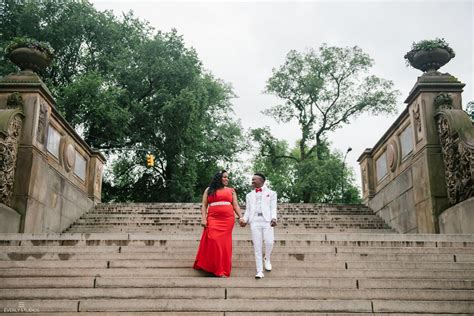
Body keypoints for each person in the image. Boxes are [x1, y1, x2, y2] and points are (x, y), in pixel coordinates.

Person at [193, 170, 243, 277]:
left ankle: (222, 270)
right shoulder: (209, 190)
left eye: (227, 177)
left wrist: (240, 217)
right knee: (214, 240)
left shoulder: (231, 190)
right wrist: (204, 218)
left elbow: (236, 206)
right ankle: (212, 266)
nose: (226, 179)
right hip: (213, 219)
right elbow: (204, 205)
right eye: (224, 177)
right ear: (218, 178)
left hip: (227, 220)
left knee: (224, 244)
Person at [239, 173, 277, 279]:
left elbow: (273, 207)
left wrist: (274, 218)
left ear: (262, 181)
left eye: (254, 179)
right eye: (252, 179)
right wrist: (244, 219)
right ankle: (259, 271)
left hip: (267, 220)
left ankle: (267, 258)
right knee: (257, 246)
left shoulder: (272, 193)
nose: (252, 181)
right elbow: (248, 210)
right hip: (254, 221)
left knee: (270, 242)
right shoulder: (249, 195)